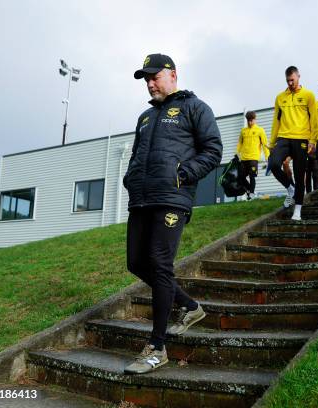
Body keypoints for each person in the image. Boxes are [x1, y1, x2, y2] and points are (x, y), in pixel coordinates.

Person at [123, 53, 222, 374]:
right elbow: (138, 153)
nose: (150, 83)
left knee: (159, 264)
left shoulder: (195, 108)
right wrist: (130, 178)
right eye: (146, 79)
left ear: (173, 75)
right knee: (136, 262)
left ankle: (157, 347)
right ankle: (190, 306)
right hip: (142, 198)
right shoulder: (145, 117)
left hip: (172, 198)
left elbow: (213, 150)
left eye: (154, 77)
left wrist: (182, 174)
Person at [269, 66, 318, 220]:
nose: (290, 83)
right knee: (274, 164)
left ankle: (297, 209)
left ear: (298, 77)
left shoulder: (308, 95)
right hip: (283, 137)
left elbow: (314, 120)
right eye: (288, 80)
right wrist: (272, 143)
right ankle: (290, 188)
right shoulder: (280, 97)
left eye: (293, 79)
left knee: (299, 174)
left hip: (301, 139)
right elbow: (276, 121)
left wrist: (312, 140)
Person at [236, 110, 269, 199]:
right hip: (243, 158)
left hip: (254, 158)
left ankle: (252, 193)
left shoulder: (260, 130)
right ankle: (249, 190)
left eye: (252, 120)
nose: (250, 122)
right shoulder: (243, 131)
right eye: (248, 120)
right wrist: (237, 153)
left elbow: (265, 144)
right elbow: (239, 143)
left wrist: (267, 156)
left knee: (252, 176)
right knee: (241, 177)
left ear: (255, 119)